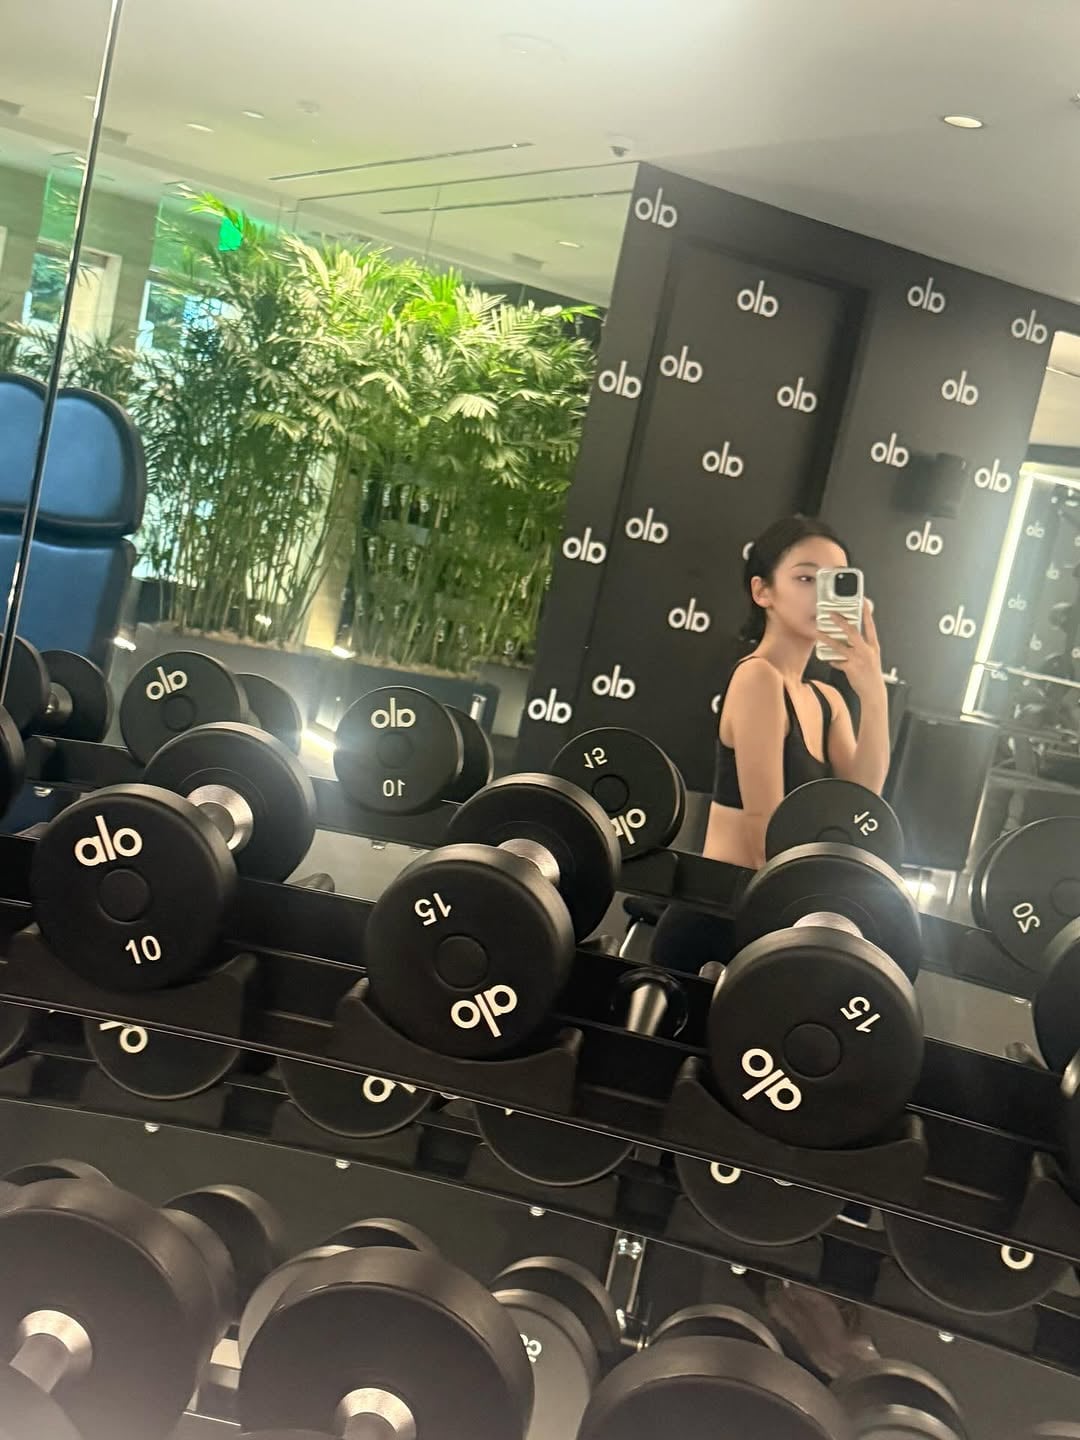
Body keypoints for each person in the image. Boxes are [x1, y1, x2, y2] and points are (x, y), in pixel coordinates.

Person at [704, 514, 891, 871]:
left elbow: (861, 809)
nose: (822, 596)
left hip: (788, 891)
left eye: (835, 581)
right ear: (762, 591)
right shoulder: (758, 678)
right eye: (806, 578)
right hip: (730, 897)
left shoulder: (827, 701)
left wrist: (874, 696)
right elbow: (765, 842)